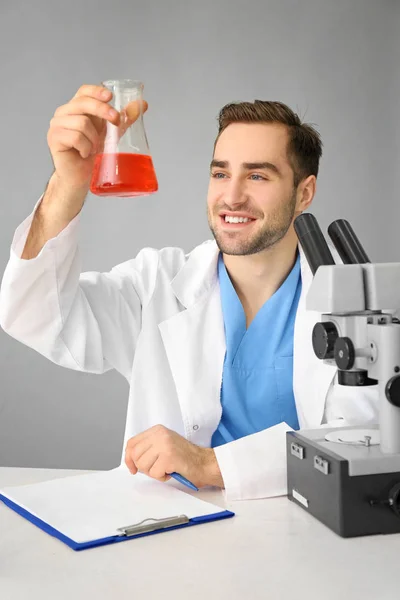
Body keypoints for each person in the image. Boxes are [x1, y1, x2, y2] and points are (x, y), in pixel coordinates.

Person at [0, 85, 379, 501]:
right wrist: (67, 183)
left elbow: (363, 438)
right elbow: (36, 316)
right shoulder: (158, 285)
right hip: (175, 534)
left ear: (304, 193)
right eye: (220, 173)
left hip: (310, 528)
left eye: (256, 175)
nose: (231, 196)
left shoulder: (358, 303)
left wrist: (210, 465)